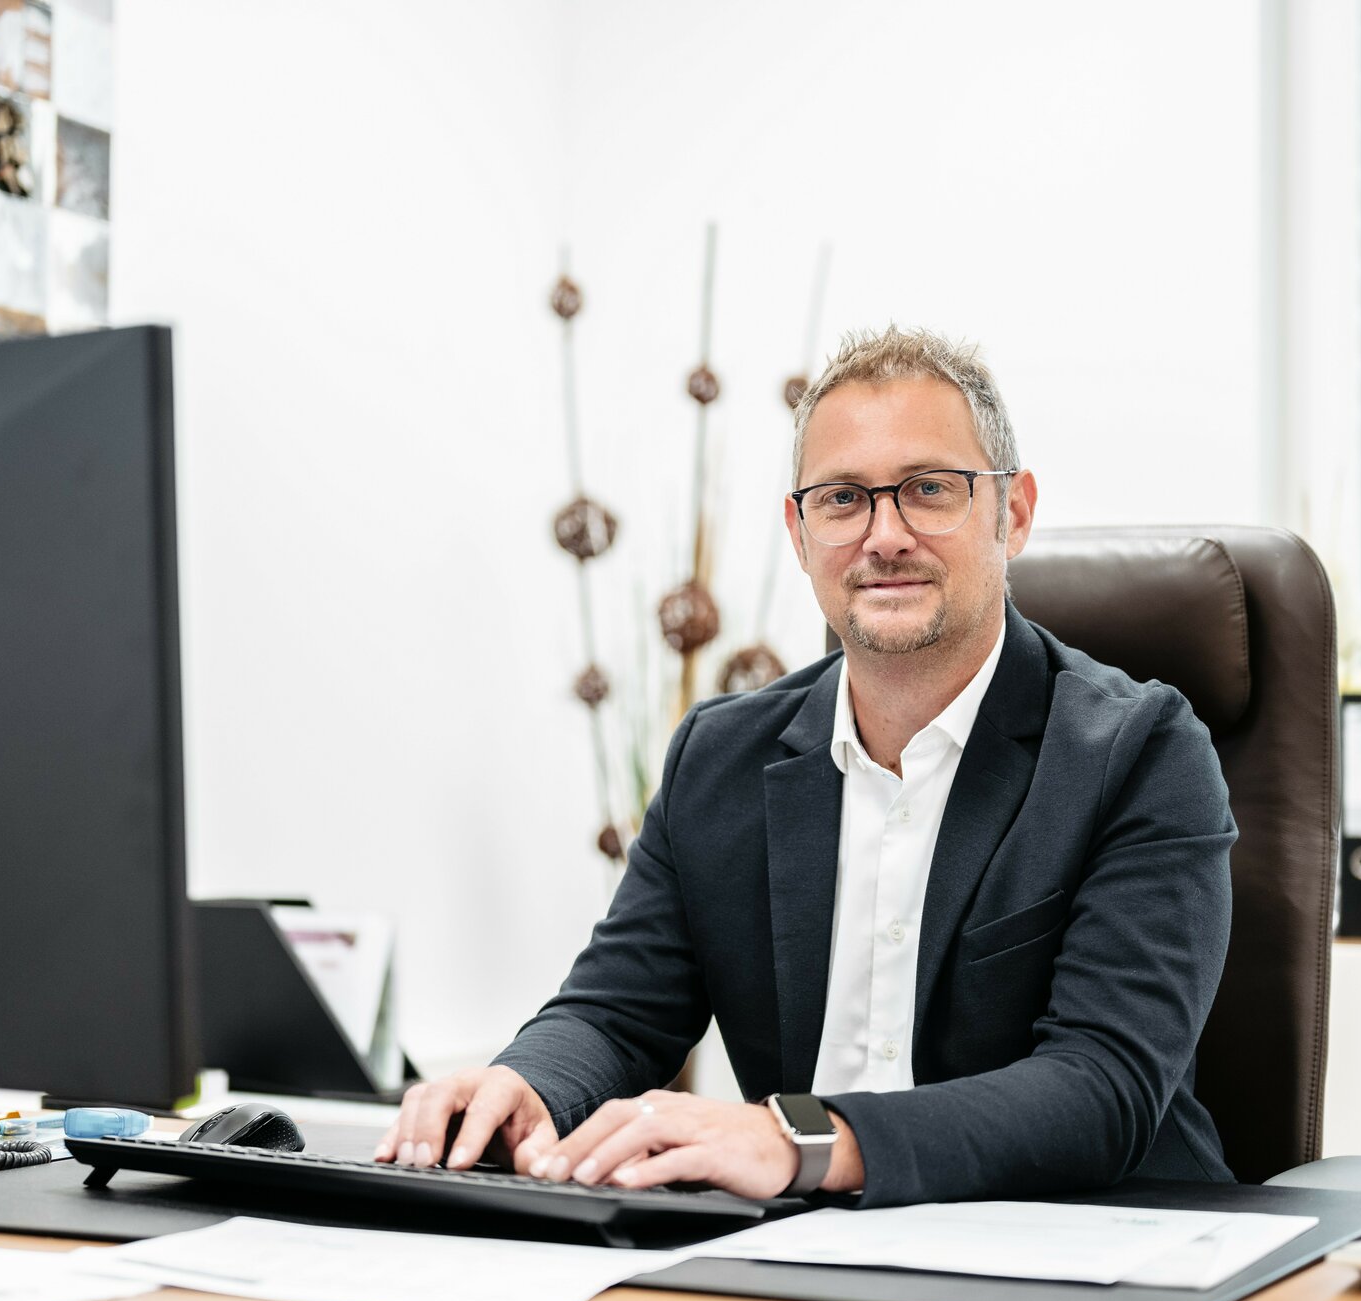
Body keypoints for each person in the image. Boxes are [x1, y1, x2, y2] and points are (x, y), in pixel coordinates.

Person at [375, 326, 1236, 1206]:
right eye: (841, 499)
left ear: (1011, 513)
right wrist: (525, 1086)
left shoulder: (1140, 753)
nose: (884, 535)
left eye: (930, 490)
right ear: (798, 529)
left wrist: (805, 1140)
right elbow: (615, 1011)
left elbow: (1101, 1086)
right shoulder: (721, 758)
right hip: (801, 1259)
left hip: (1091, 1262)